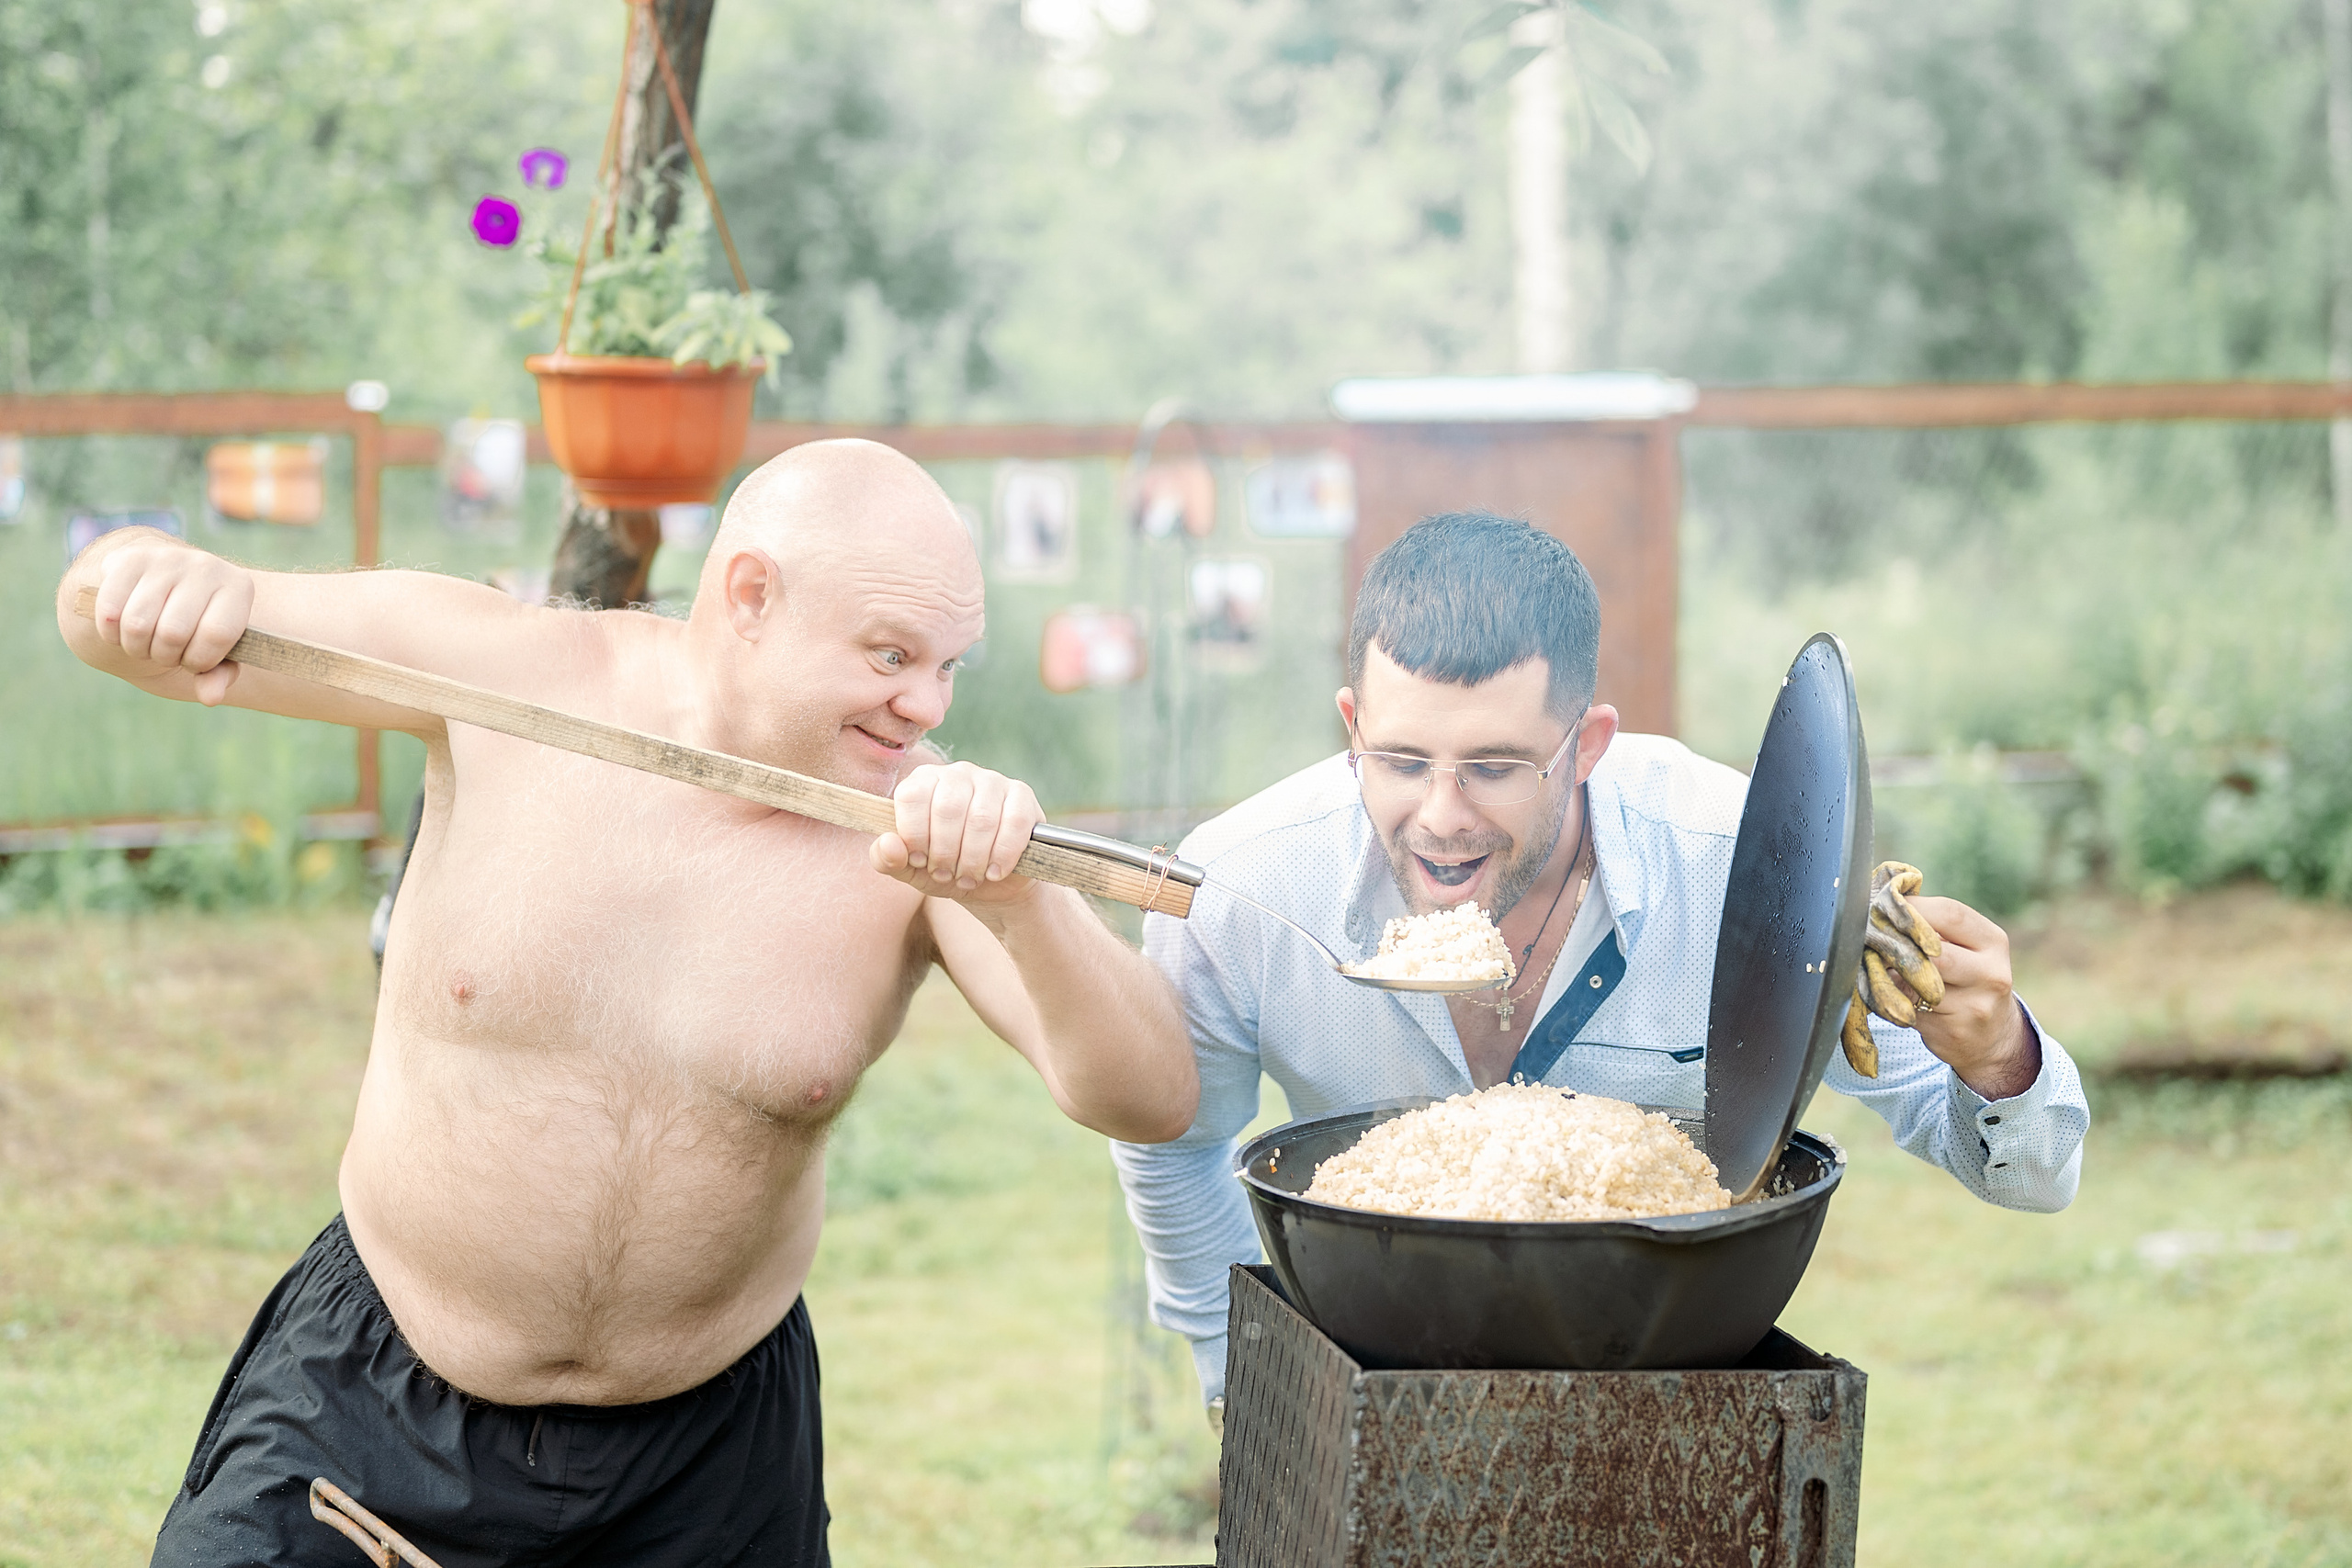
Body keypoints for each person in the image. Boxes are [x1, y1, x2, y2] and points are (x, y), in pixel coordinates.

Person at [57, 439, 1195, 1567]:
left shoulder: (914, 837)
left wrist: (1023, 903)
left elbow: (1151, 1098)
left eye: (952, 666)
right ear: (751, 595)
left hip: (709, 1459)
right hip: (374, 1397)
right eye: (892, 654)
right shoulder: (507, 671)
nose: (924, 703)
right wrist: (154, 570)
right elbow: (109, 620)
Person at [1111, 513, 2089, 1415]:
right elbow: (1179, 1140)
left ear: (1585, 745)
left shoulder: (1736, 864)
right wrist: (1232, 1368)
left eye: (1494, 767)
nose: (1442, 816)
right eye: (1402, 761)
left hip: (1668, 1382)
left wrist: (1999, 1054)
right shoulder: (1240, 888)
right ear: (1351, 728)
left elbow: (2035, 1179)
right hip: (1382, 1376)